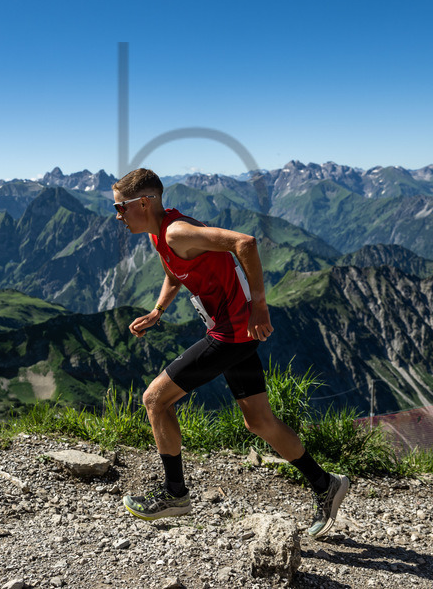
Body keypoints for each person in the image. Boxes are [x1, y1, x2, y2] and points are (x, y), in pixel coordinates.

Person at [113, 168, 350, 538]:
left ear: (143, 202)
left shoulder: (176, 231)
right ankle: (326, 484)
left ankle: (175, 494)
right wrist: (158, 310)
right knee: (259, 422)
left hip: (232, 333)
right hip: (233, 333)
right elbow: (176, 273)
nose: (117, 216)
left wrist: (260, 306)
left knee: (155, 399)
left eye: (120, 207)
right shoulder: (162, 236)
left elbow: (246, 243)